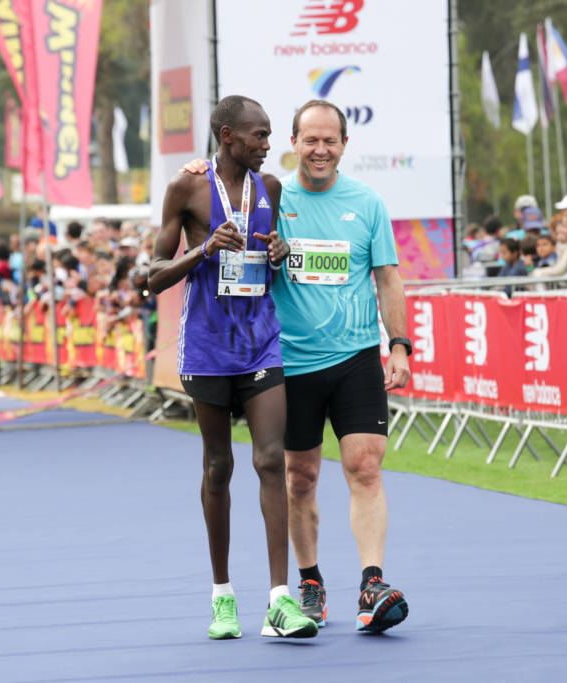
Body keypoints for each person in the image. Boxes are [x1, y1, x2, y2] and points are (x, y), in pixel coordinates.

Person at [184, 99, 412, 633]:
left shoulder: (368, 202)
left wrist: (398, 344)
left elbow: (388, 279)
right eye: (310, 140)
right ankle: (309, 583)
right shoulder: (269, 194)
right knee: (300, 475)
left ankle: (372, 582)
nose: (320, 149)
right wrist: (198, 164)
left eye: (330, 140)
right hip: (291, 358)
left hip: (356, 354)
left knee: (365, 465)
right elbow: (218, 187)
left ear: (344, 146)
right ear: (292, 143)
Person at [149, 95, 316, 641]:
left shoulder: (270, 189)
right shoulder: (187, 188)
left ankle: (279, 601)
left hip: (261, 344)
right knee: (219, 467)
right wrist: (203, 251)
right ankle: (222, 597)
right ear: (227, 136)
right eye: (259, 136)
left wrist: (278, 251)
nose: (268, 145)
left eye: (269, 136)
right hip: (206, 347)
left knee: (272, 460)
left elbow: (276, 256)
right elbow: (150, 276)